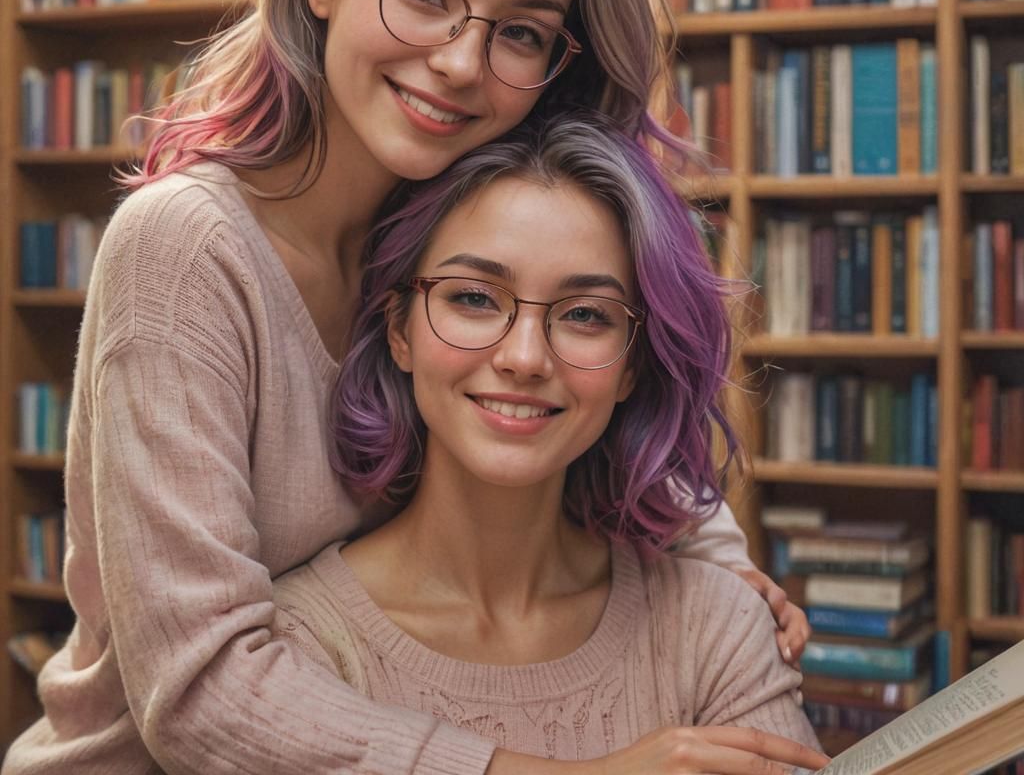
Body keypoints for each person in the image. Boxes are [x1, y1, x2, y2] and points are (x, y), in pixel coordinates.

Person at [3, 0, 806, 775]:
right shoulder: (185, 247)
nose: (463, 62)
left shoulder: (452, 216)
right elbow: (202, 692)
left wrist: (718, 578)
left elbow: (595, 395)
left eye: (519, 31)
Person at [272, 111, 829, 775]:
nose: (526, 357)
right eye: (475, 298)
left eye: (586, 314)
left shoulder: (713, 624)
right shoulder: (297, 647)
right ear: (400, 331)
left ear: (631, 365)